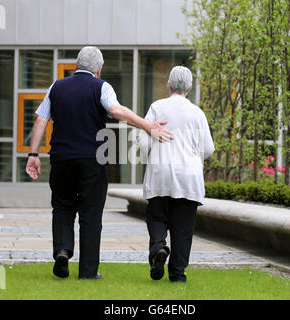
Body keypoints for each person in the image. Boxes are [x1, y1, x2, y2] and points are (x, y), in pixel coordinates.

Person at [26, 46, 173, 280]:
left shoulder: (56, 87)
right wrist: (146, 125)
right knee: (91, 214)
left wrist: (33, 155)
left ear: (76, 65)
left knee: (62, 206)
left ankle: (62, 251)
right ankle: (88, 271)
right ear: (99, 69)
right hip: (92, 161)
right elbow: (116, 111)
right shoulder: (101, 86)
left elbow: (41, 121)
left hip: (61, 159)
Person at [136, 66, 215, 282]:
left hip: (160, 174)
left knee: (157, 217)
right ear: (189, 87)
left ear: (168, 84)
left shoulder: (156, 108)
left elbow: (142, 144)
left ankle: (159, 247)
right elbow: (208, 150)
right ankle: (178, 274)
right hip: (189, 178)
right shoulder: (197, 113)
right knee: (183, 229)